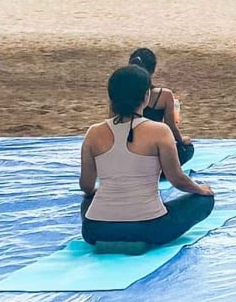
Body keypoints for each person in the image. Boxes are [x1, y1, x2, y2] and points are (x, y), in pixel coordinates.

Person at [80, 65, 214, 247]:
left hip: (95, 230)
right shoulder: (159, 131)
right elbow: (177, 180)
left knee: (88, 200)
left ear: (111, 98)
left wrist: (99, 196)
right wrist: (201, 189)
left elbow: (86, 186)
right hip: (149, 228)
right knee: (204, 200)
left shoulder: (93, 133)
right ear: (146, 97)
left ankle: (111, 235)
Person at [128, 47, 193, 166]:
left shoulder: (120, 93)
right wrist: (181, 141)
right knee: (187, 148)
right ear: (152, 70)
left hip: (127, 154)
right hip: (154, 153)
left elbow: (112, 122)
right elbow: (171, 126)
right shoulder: (164, 95)